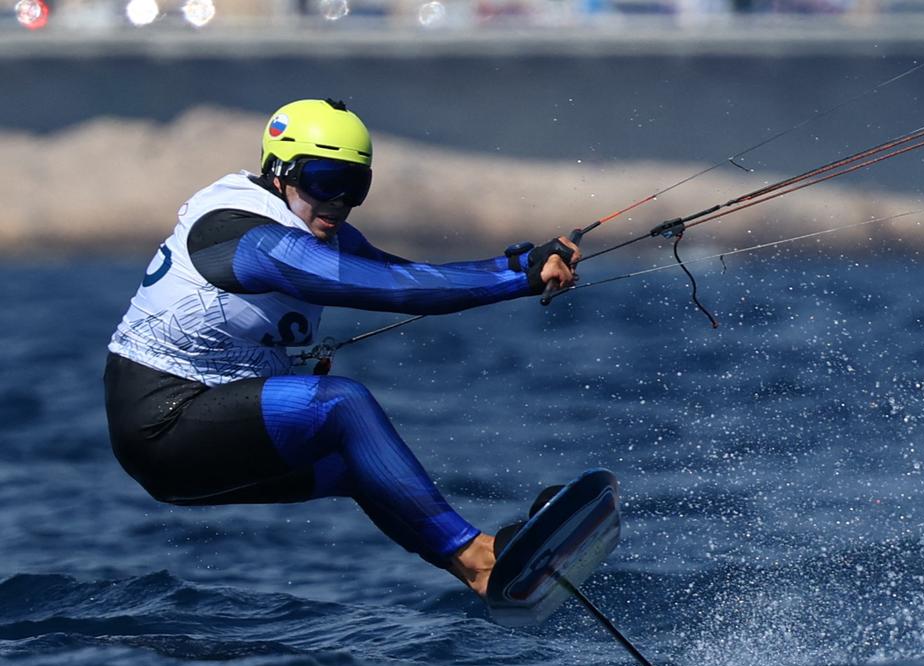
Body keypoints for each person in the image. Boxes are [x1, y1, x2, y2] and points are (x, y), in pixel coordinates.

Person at [104, 98, 580, 598]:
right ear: (281, 173)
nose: (338, 201)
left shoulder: (314, 229)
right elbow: (395, 290)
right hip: (162, 426)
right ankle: (479, 557)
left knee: (359, 462)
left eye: (355, 186)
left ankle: (478, 577)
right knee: (340, 404)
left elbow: (406, 273)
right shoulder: (253, 239)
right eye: (325, 182)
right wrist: (521, 281)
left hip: (197, 438)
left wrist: (521, 263)